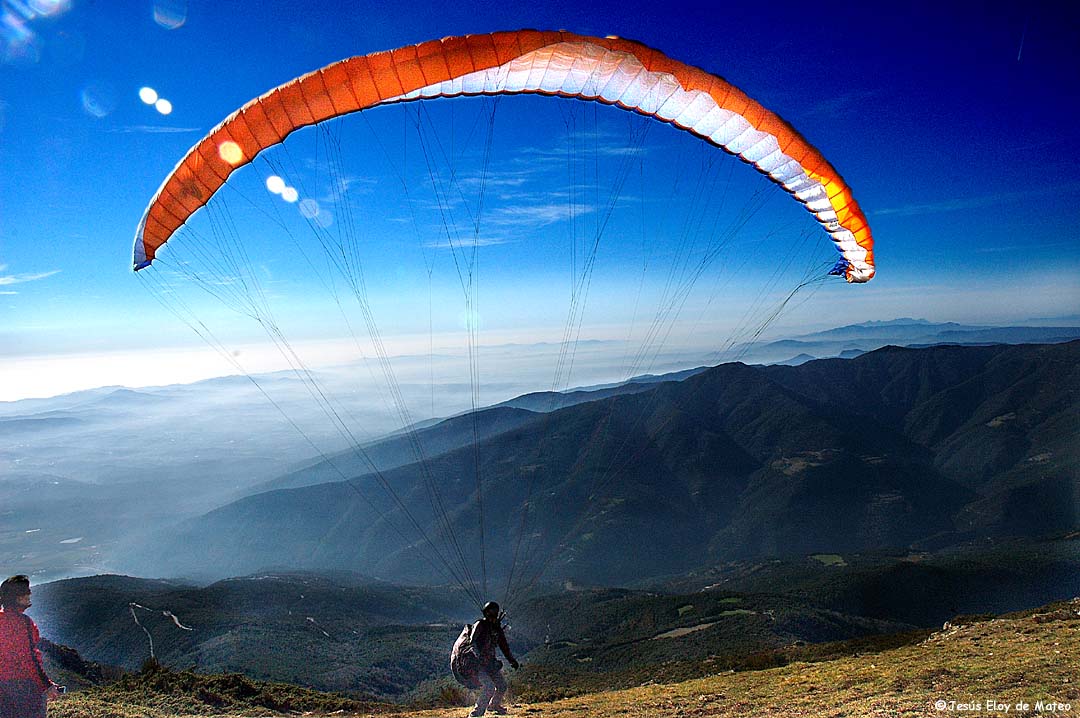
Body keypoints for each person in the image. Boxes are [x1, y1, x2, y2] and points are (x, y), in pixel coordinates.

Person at [0, 576, 62, 718]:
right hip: (25, 689)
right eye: (26, 591)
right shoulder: (24, 623)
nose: (30, 594)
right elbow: (30, 660)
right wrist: (47, 685)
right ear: (17, 597)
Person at [468, 601, 519, 717]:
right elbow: (472, 642)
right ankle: (476, 713)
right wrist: (478, 656)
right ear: (486, 614)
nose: (494, 616)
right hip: (478, 664)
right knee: (489, 687)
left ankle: (494, 705)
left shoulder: (496, 629)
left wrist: (512, 660)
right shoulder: (480, 625)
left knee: (501, 685)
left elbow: (504, 646)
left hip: (490, 663)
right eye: (491, 614)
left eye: (495, 614)